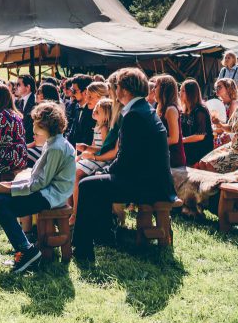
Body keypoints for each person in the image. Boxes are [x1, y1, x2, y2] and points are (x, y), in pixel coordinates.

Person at [74, 68, 176, 261]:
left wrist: (105, 171)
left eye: (118, 86)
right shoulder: (142, 109)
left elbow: (126, 160)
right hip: (153, 179)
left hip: (147, 184)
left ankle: (82, 248)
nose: (115, 90)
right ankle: (103, 234)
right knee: (97, 181)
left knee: (87, 184)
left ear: (125, 90)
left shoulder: (134, 115)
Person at [0, 102, 76, 273]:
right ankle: (26, 248)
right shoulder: (52, 142)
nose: (32, 132)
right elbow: (37, 178)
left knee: (0, 202)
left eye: (35, 128)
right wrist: (9, 185)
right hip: (47, 192)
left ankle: (26, 251)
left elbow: (40, 183)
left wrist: (8, 189)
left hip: (52, 196)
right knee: (0, 200)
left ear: (47, 127)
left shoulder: (56, 147)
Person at [153, 74, 186, 168]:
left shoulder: (170, 109)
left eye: (156, 87)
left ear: (164, 89)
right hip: (164, 156)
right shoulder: (160, 107)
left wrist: (152, 143)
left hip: (173, 158)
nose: (153, 90)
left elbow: (174, 138)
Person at [180, 79, 214, 164]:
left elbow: (200, 136)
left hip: (200, 149)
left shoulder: (200, 110)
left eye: (183, 91)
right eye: (180, 90)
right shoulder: (184, 110)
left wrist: (182, 140)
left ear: (190, 93)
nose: (180, 93)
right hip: (189, 146)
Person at [15, 74, 37, 143]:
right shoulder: (17, 102)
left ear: (28, 87)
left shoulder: (36, 102)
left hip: (31, 142)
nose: (16, 87)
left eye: (18, 84)